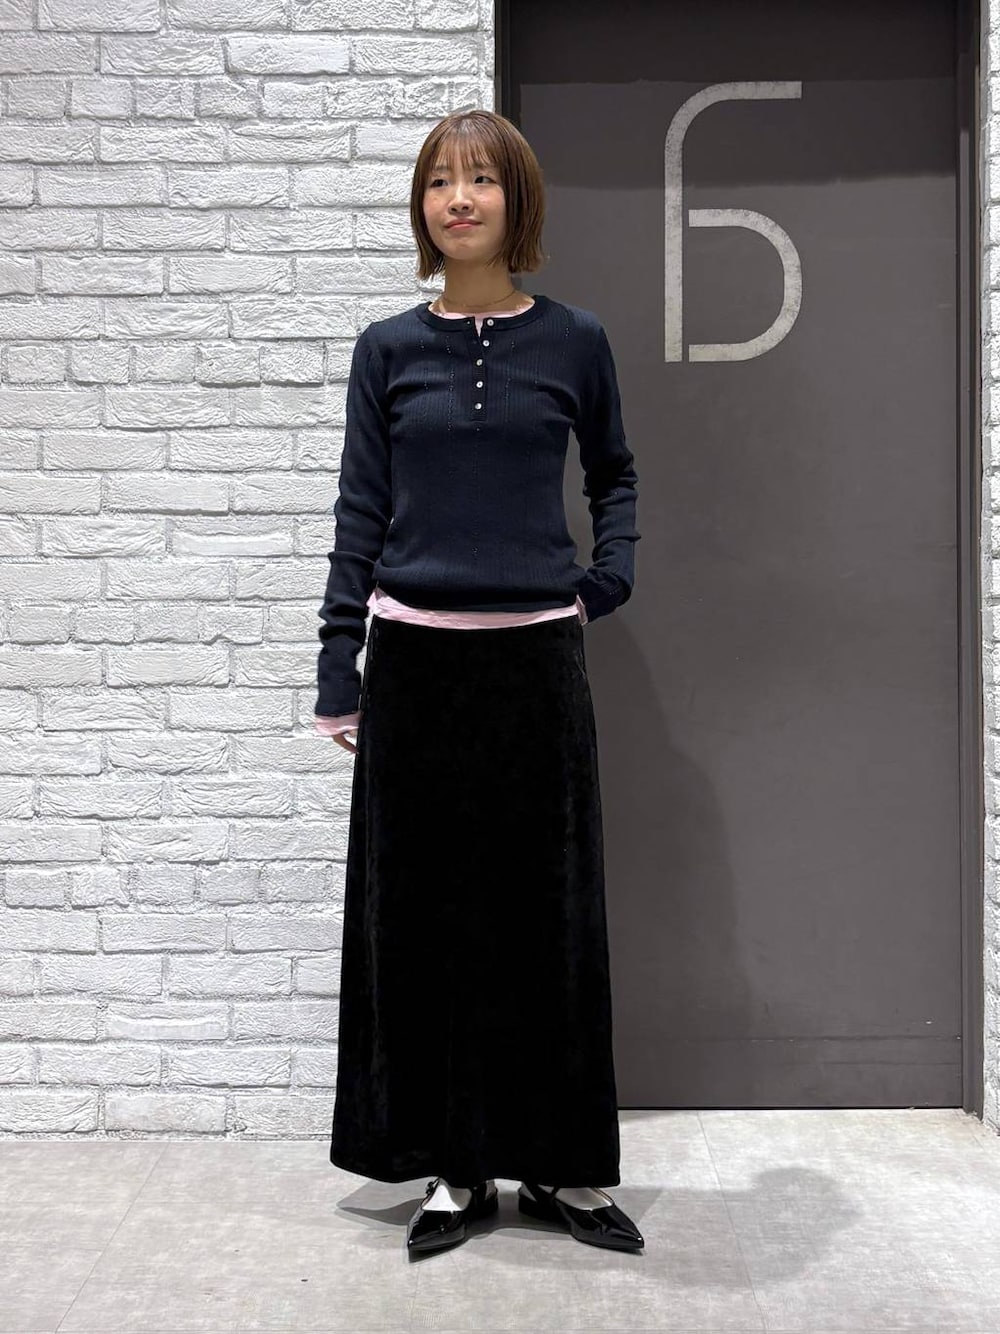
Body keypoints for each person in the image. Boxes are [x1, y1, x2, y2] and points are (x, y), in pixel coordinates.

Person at [314, 108, 643, 1257]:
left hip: (534, 662)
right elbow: (360, 506)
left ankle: (560, 1165)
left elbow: (613, 474)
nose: (458, 199)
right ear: (422, 207)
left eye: (480, 180)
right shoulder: (386, 350)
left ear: (517, 200)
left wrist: (608, 577)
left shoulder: (576, 341)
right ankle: (452, 1165)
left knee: (546, 918)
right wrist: (338, 663)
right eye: (439, 182)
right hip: (415, 664)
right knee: (428, 925)